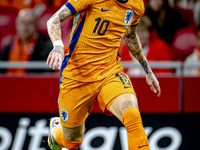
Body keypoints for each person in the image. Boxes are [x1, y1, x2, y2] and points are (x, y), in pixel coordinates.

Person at [46, 0, 161, 150]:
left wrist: (148, 70)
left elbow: (130, 35)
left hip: (109, 71)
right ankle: (56, 130)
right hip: (77, 75)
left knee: (132, 115)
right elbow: (53, 20)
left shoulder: (136, 5)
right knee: (72, 142)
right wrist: (58, 46)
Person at [0, 8, 53, 74]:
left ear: (36, 25)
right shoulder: (7, 48)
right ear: (16, 24)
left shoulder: (47, 48)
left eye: (30, 23)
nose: (25, 27)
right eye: (22, 23)